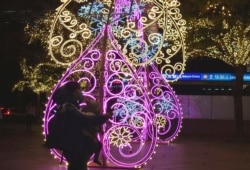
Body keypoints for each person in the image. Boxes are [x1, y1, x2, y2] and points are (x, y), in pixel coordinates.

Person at [52, 81, 112, 170]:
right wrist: (103, 118)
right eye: (79, 89)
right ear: (74, 92)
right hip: (74, 147)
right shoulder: (69, 107)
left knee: (77, 166)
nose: (81, 92)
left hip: (74, 145)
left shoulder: (71, 106)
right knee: (78, 166)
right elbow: (84, 119)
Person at [81, 99, 103, 166]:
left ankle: (93, 159)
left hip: (89, 135)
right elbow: (94, 126)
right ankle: (86, 160)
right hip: (87, 136)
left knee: (97, 145)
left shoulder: (90, 115)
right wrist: (99, 129)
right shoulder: (91, 116)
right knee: (93, 146)